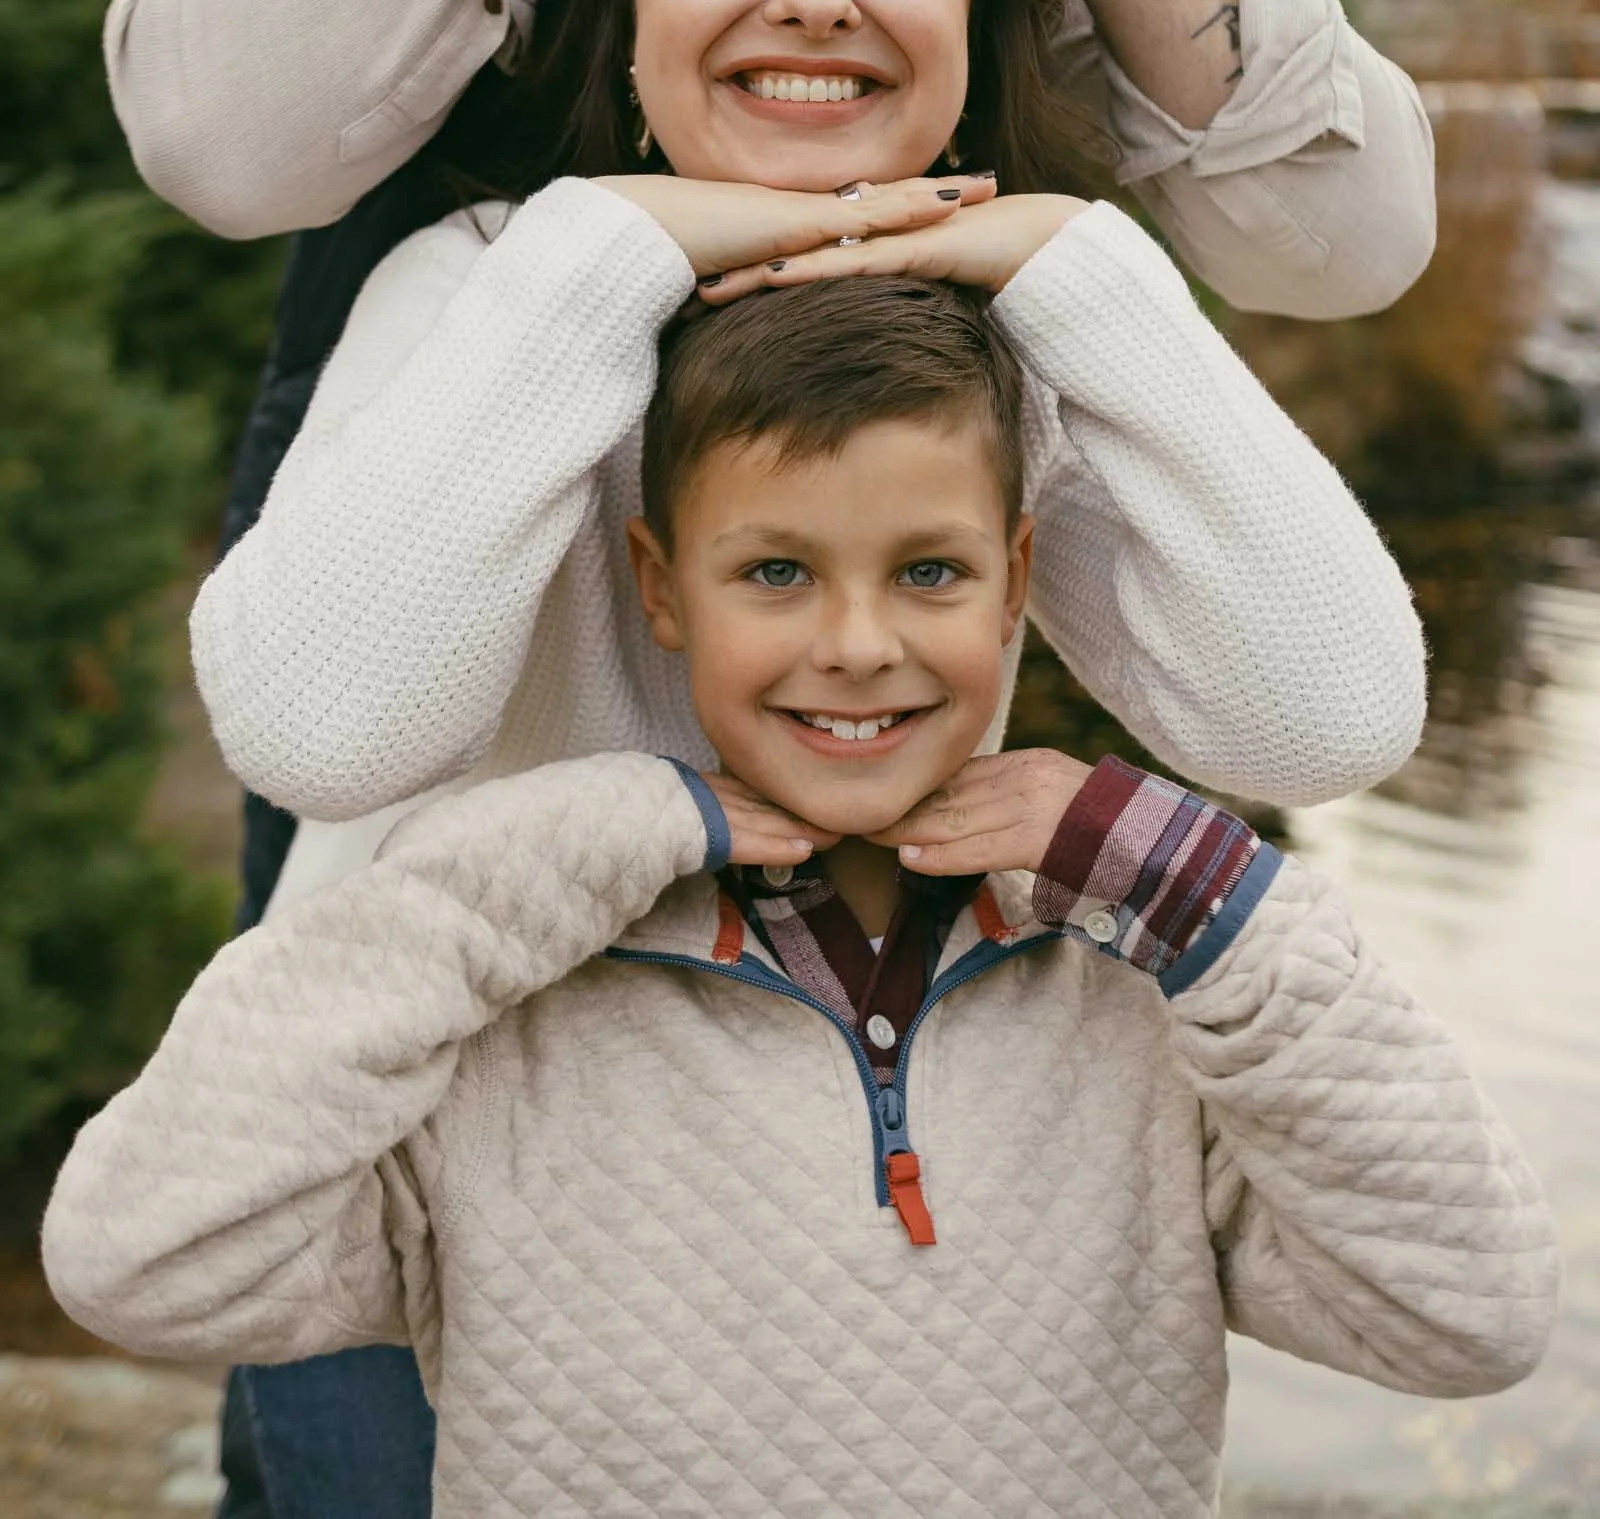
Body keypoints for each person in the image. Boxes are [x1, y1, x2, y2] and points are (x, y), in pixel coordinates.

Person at [184, 0, 1431, 1514]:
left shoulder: (1015, 338)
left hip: (825, 1217)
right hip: (444, 1212)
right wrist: (612, 247)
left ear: (969, 8)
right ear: (627, 14)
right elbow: (320, 722)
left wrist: (1084, 264)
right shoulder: (475, 291)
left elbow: (1324, 716)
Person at [44, 275, 1557, 1519]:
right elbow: (142, 1254)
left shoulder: (1131, 997)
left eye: (930, 572)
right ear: (660, 585)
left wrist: (1194, 879)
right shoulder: (523, 1018)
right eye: (774, 572)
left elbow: (1467, 1312)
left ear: (1018, 575)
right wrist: (583, 832)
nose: (855, 642)